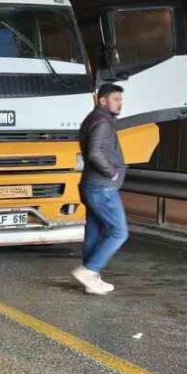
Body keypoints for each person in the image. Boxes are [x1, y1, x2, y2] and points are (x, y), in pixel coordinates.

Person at [72, 83, 128, 295]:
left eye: (120, 100)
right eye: (116, 99)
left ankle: (91, 279)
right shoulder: (102, 122)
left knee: (94, 233)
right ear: (101, 100)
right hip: (102, 187)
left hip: (91, 185)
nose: (120, 103)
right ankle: (89, 270)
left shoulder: (92, 119)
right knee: (119, 231)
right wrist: (112, 172)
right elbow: (95, 152)